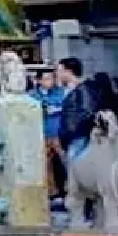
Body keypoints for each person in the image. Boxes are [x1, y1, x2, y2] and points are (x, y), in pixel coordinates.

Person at [37, 60, 78, 196]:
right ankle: (51, 191)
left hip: (58, 134)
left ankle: (70, 187)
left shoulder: (60, 93)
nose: (50, 81)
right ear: (38, 80)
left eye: (51, 78)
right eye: (46, 79)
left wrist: (53, 109)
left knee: (65, 161)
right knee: (45, 164)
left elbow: (63, 106)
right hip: (42, 134)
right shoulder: (33, 95)